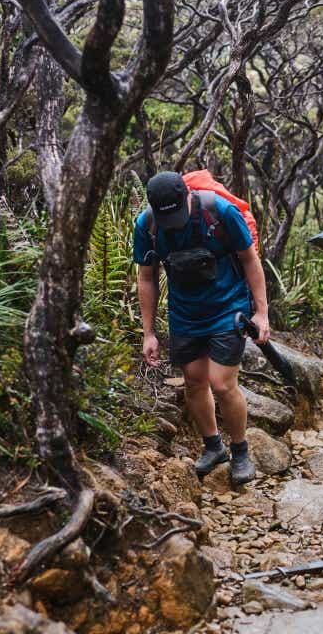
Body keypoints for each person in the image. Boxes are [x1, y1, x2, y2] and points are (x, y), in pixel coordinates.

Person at [134, 171, 271, 487]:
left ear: (187, 197)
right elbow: (146, 277)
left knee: (221, 384)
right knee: (194, 383)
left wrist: (262, 312)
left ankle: (240, 451)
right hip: (185, 314)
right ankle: (213, 448)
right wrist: (149, 332)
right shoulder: (148, 225)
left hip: (228, 308)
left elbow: (249, 259)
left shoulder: (219, 212)